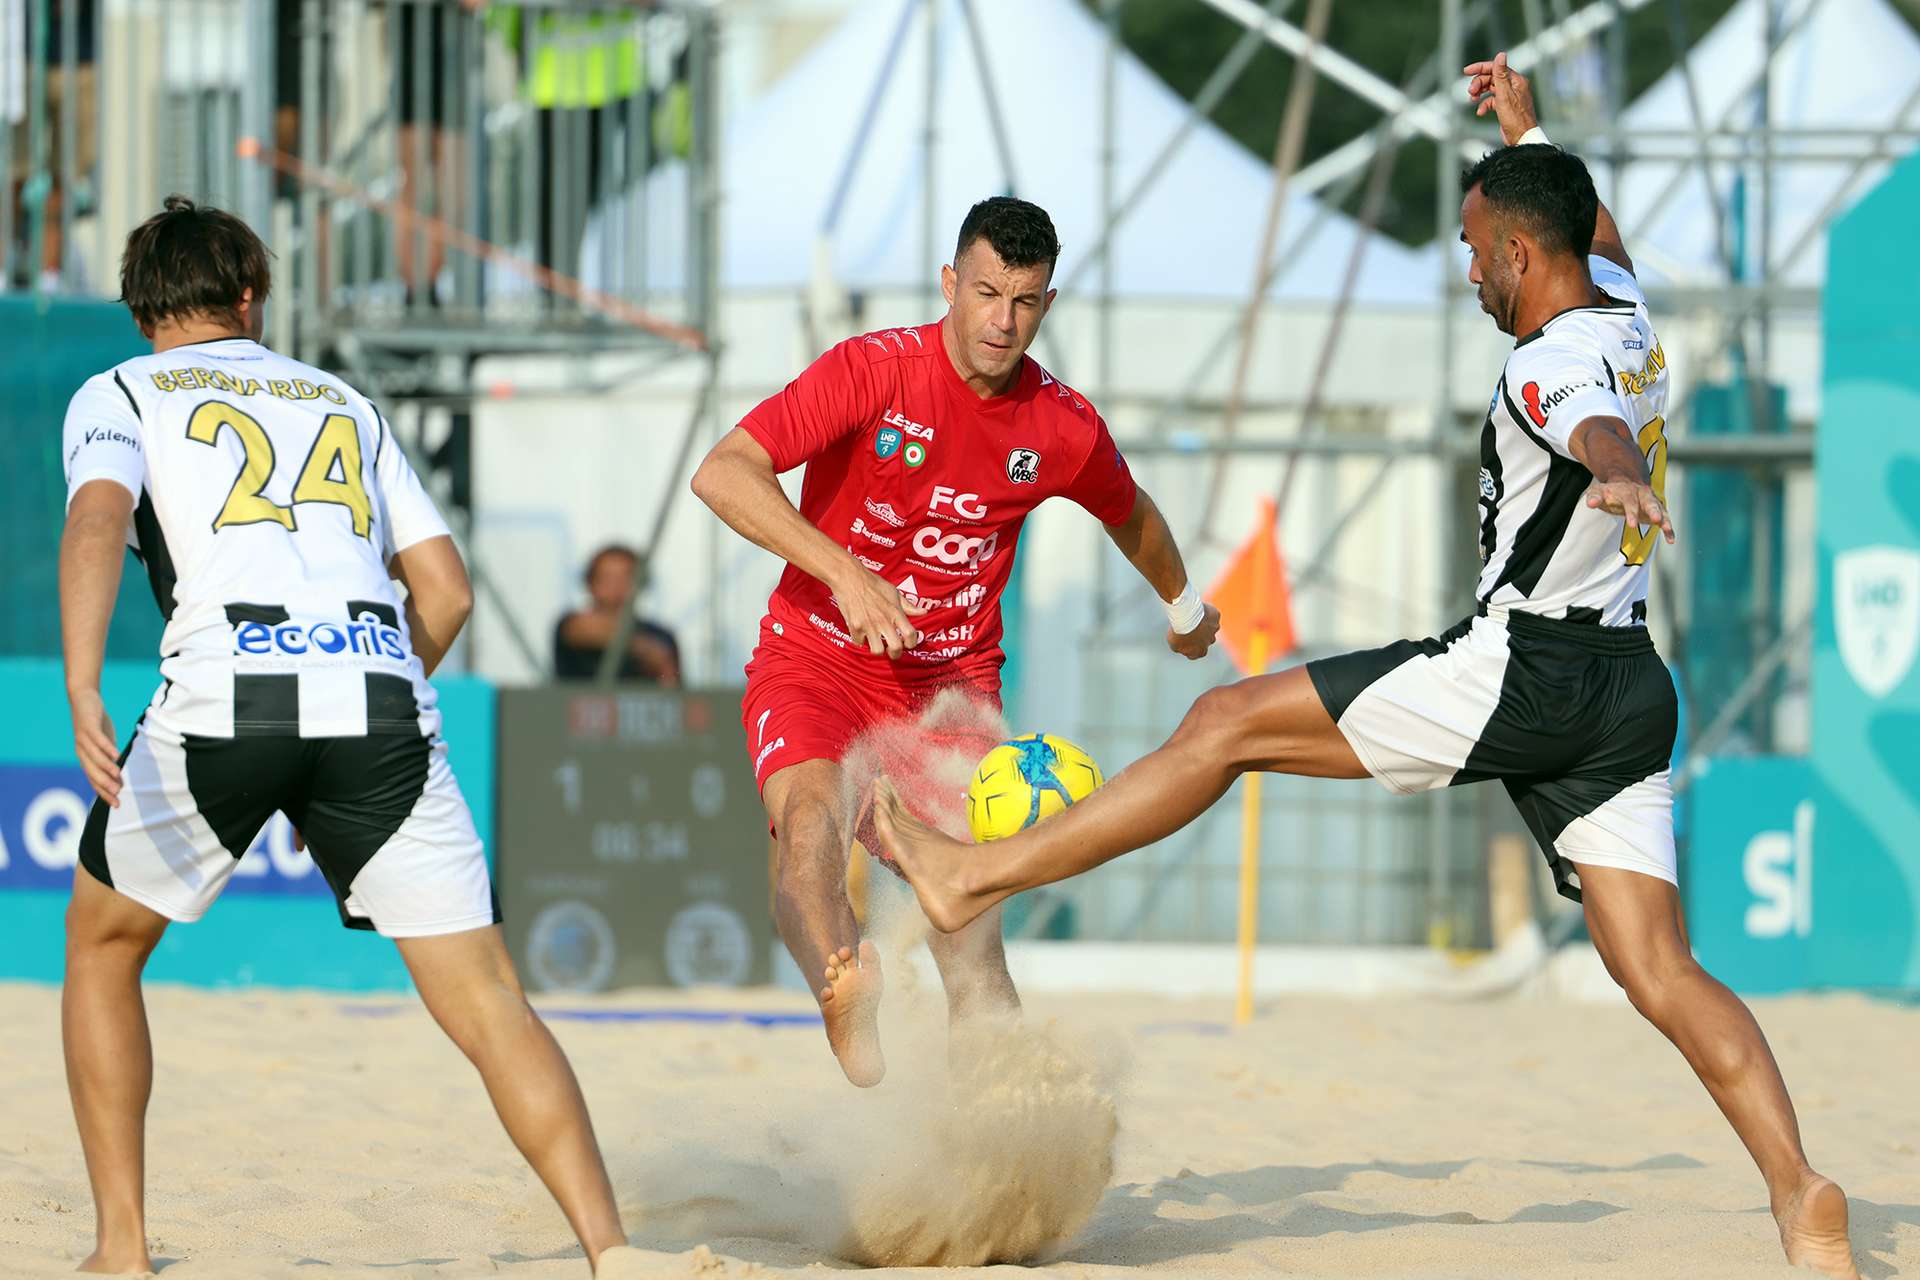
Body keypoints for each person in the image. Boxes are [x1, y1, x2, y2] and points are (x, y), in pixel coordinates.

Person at [875, 57, 1858, 1280]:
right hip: (1626, 688)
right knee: (1660, 967)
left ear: (1521, 255)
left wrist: (1615, 468)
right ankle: (1800, 1188)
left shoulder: (1548, 362)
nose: (1468, 269)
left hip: (1524, 668)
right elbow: (1592, 229)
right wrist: (1527, 135)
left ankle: (974, 874)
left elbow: (1591, 422)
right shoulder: (1624, 305)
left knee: (1222, 724)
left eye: (1475, 249)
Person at [58, 196, 630, 1276]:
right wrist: (368, 685)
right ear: (250, 297)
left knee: (101, 946)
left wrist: (84, 682)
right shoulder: (341, 399)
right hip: (377, 691)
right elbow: (447, 593)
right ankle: (612, 1249)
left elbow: (95, 521)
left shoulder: (121, 390)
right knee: (489, 999)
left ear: (141, 309)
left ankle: (121, 1248)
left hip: (226, 692)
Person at [691, 196, 1221, 1087]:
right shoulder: (872, 370)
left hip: (945, 690)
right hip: (817, 659)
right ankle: (845, 984)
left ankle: (1004, 1120)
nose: (1002, 321)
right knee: (811, 829)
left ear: (1047, 304)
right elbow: (723, 472)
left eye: (1024, 301)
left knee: (967, 925)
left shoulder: (1060, 424)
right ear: (949, 283)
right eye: (985, 293)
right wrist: (846, 574)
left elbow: (1130, 515)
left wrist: (1184, 607)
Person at [553, 543, 681, 683]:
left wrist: (663, 666)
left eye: (626, 578)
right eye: (607, 578)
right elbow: (584, 630)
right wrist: (643, 648)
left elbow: (672, 685)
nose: (617, 587)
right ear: (590, 583)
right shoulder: (570, 625)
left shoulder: (661, 636)